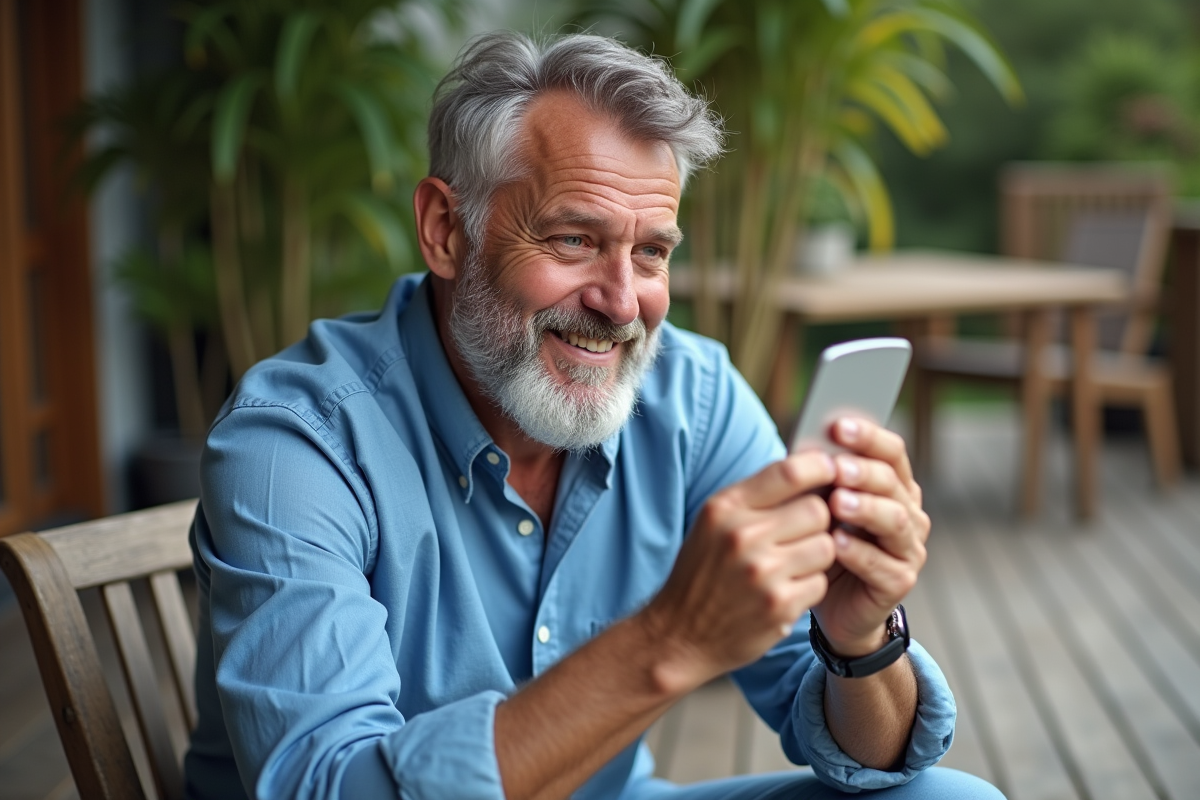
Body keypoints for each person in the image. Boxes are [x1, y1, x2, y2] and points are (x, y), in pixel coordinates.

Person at [184, 31, 1004, 800]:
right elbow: (327, 787)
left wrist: (860, 640)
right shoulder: (297, 442)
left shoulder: (693, 397)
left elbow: (863, 743)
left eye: (651, 252)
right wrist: (669, 641)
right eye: (574, 240)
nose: (621, 304)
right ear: (445, 230)